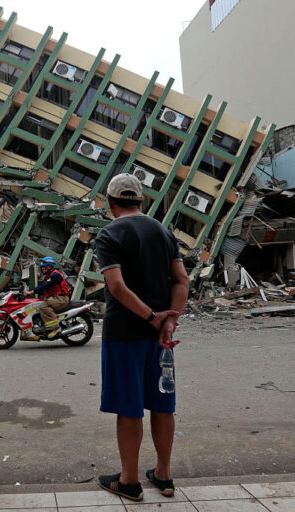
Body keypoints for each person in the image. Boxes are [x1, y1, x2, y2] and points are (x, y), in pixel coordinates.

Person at [94, 173, 189, 502]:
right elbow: (181, 281)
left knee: (130, 407)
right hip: (162, 339)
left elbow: (117, 288)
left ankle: (130, 481)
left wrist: (151, 318)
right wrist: (169, 321)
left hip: (124, 334)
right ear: (142, 201)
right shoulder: (164, 233)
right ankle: (163, 475)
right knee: (163, 405)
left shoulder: (109, 234)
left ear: (110, 203)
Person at [23, 256, 70, 338]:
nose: (42, 269)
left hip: (61, 299)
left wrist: (31, 292)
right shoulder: (49, 275)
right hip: (55, 298)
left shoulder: (55, 275)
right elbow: (43, 285)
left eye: (44, 267)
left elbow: (45, 286)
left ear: (49, 266)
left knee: (43, 307)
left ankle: (55, 328)